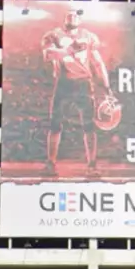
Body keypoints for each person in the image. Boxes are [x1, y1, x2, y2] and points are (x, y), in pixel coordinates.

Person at [40, 9, 113, 174]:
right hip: (64, 83)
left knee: (89, 126)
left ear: (80, 19)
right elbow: (48, 54)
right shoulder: (53, 35)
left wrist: (106, 86)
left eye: (76, 13)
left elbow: (98, 63)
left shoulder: (88, 37)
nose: (72, 15)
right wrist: (70, 50)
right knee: (55, 125)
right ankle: (50, 163)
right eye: (69, 13)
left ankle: (92, 165)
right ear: (64, 17)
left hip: (83, 83)